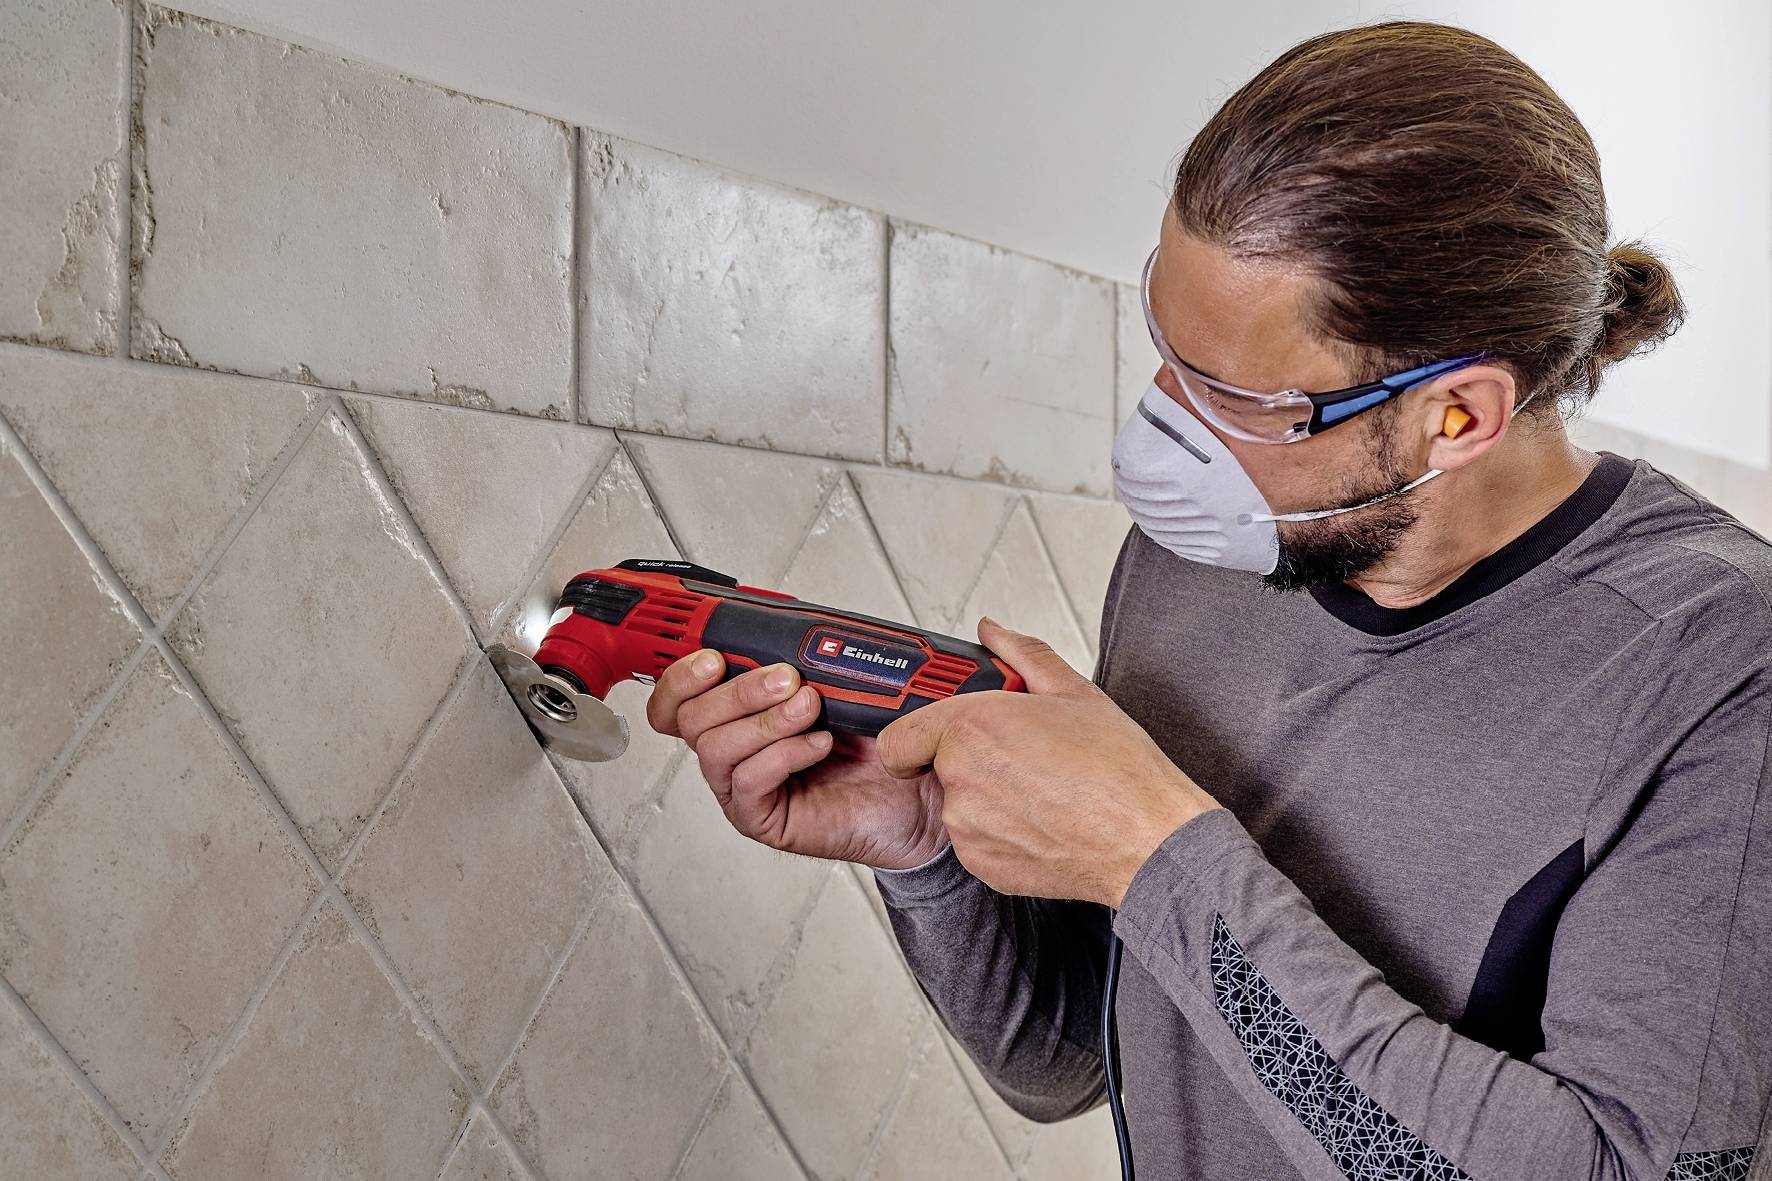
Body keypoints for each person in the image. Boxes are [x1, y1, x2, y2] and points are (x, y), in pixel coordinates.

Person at [644, 18, 1772, 1180]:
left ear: (1459, 415)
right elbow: (1068, 1058)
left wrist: (1151, 853)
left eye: (1235, 398)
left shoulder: (1717, 668)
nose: (1166, 427)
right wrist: (928, 852)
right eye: (1166, 351)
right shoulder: (1196, 564)